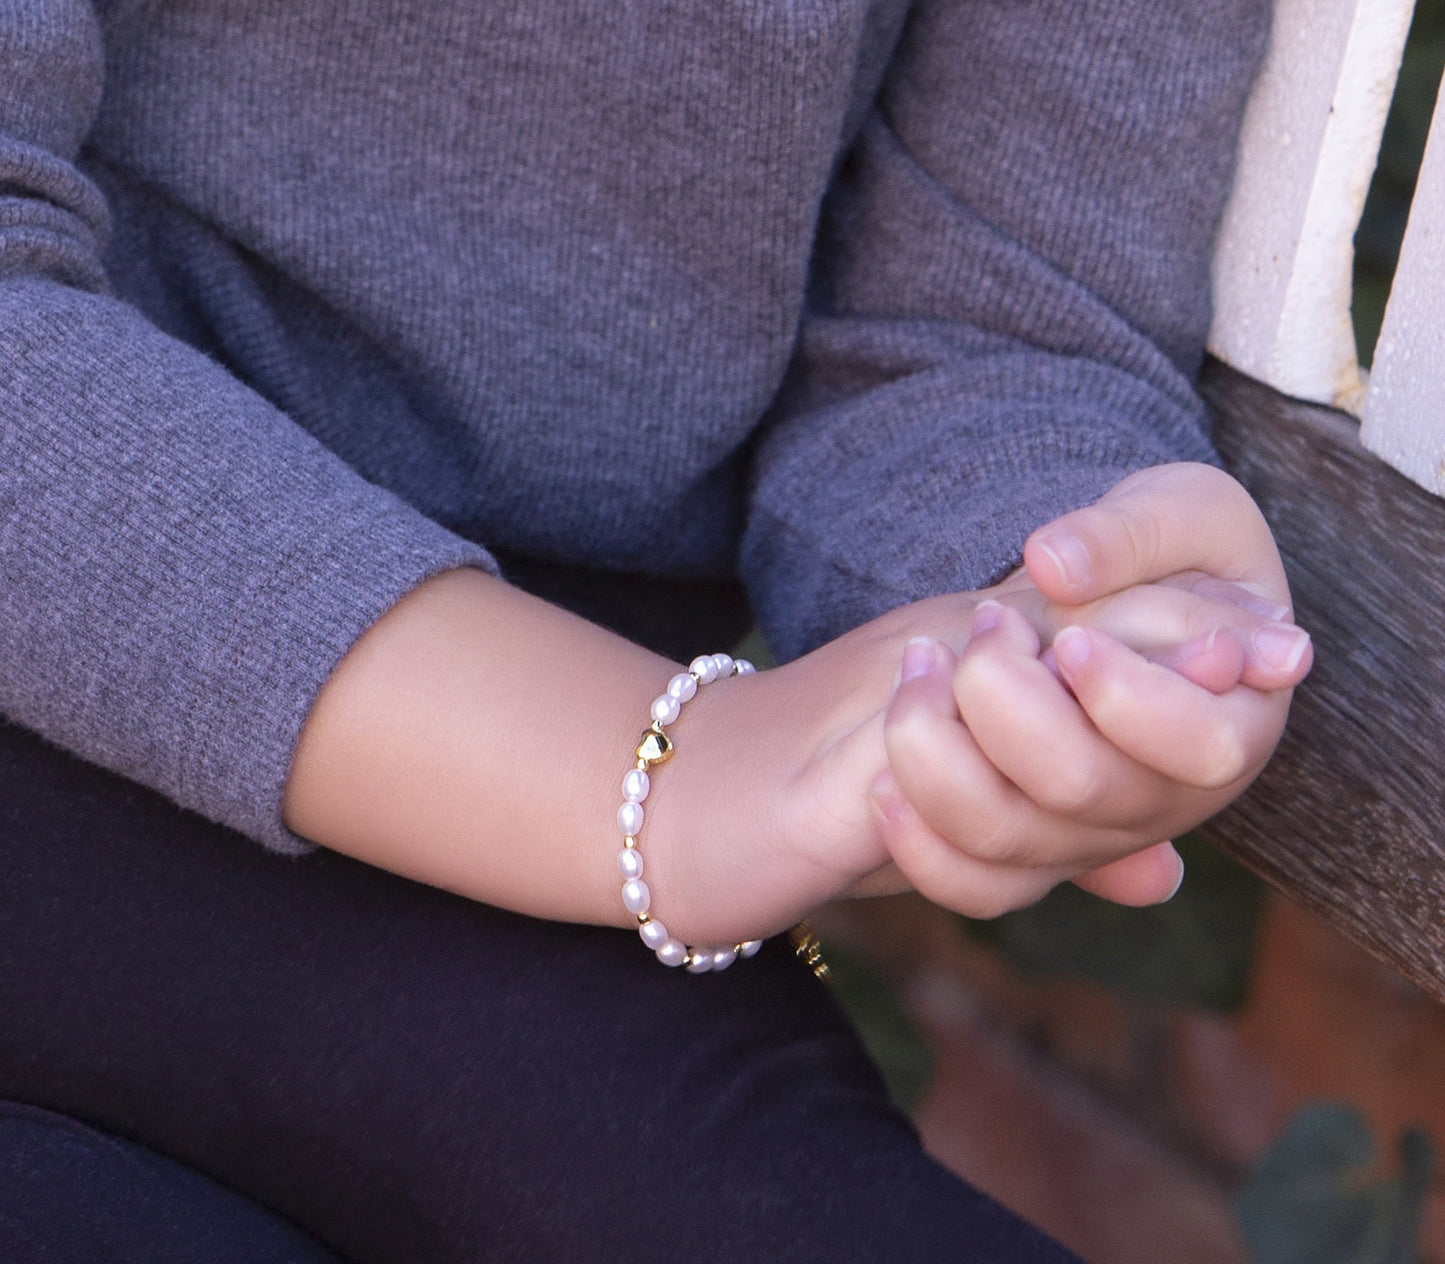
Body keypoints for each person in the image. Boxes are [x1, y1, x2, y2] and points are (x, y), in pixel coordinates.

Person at [0, 0, 1308, 1259]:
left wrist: (1051, 610)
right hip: (73, 652)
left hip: (558, 824)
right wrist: (670, 776)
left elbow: (986, 325)